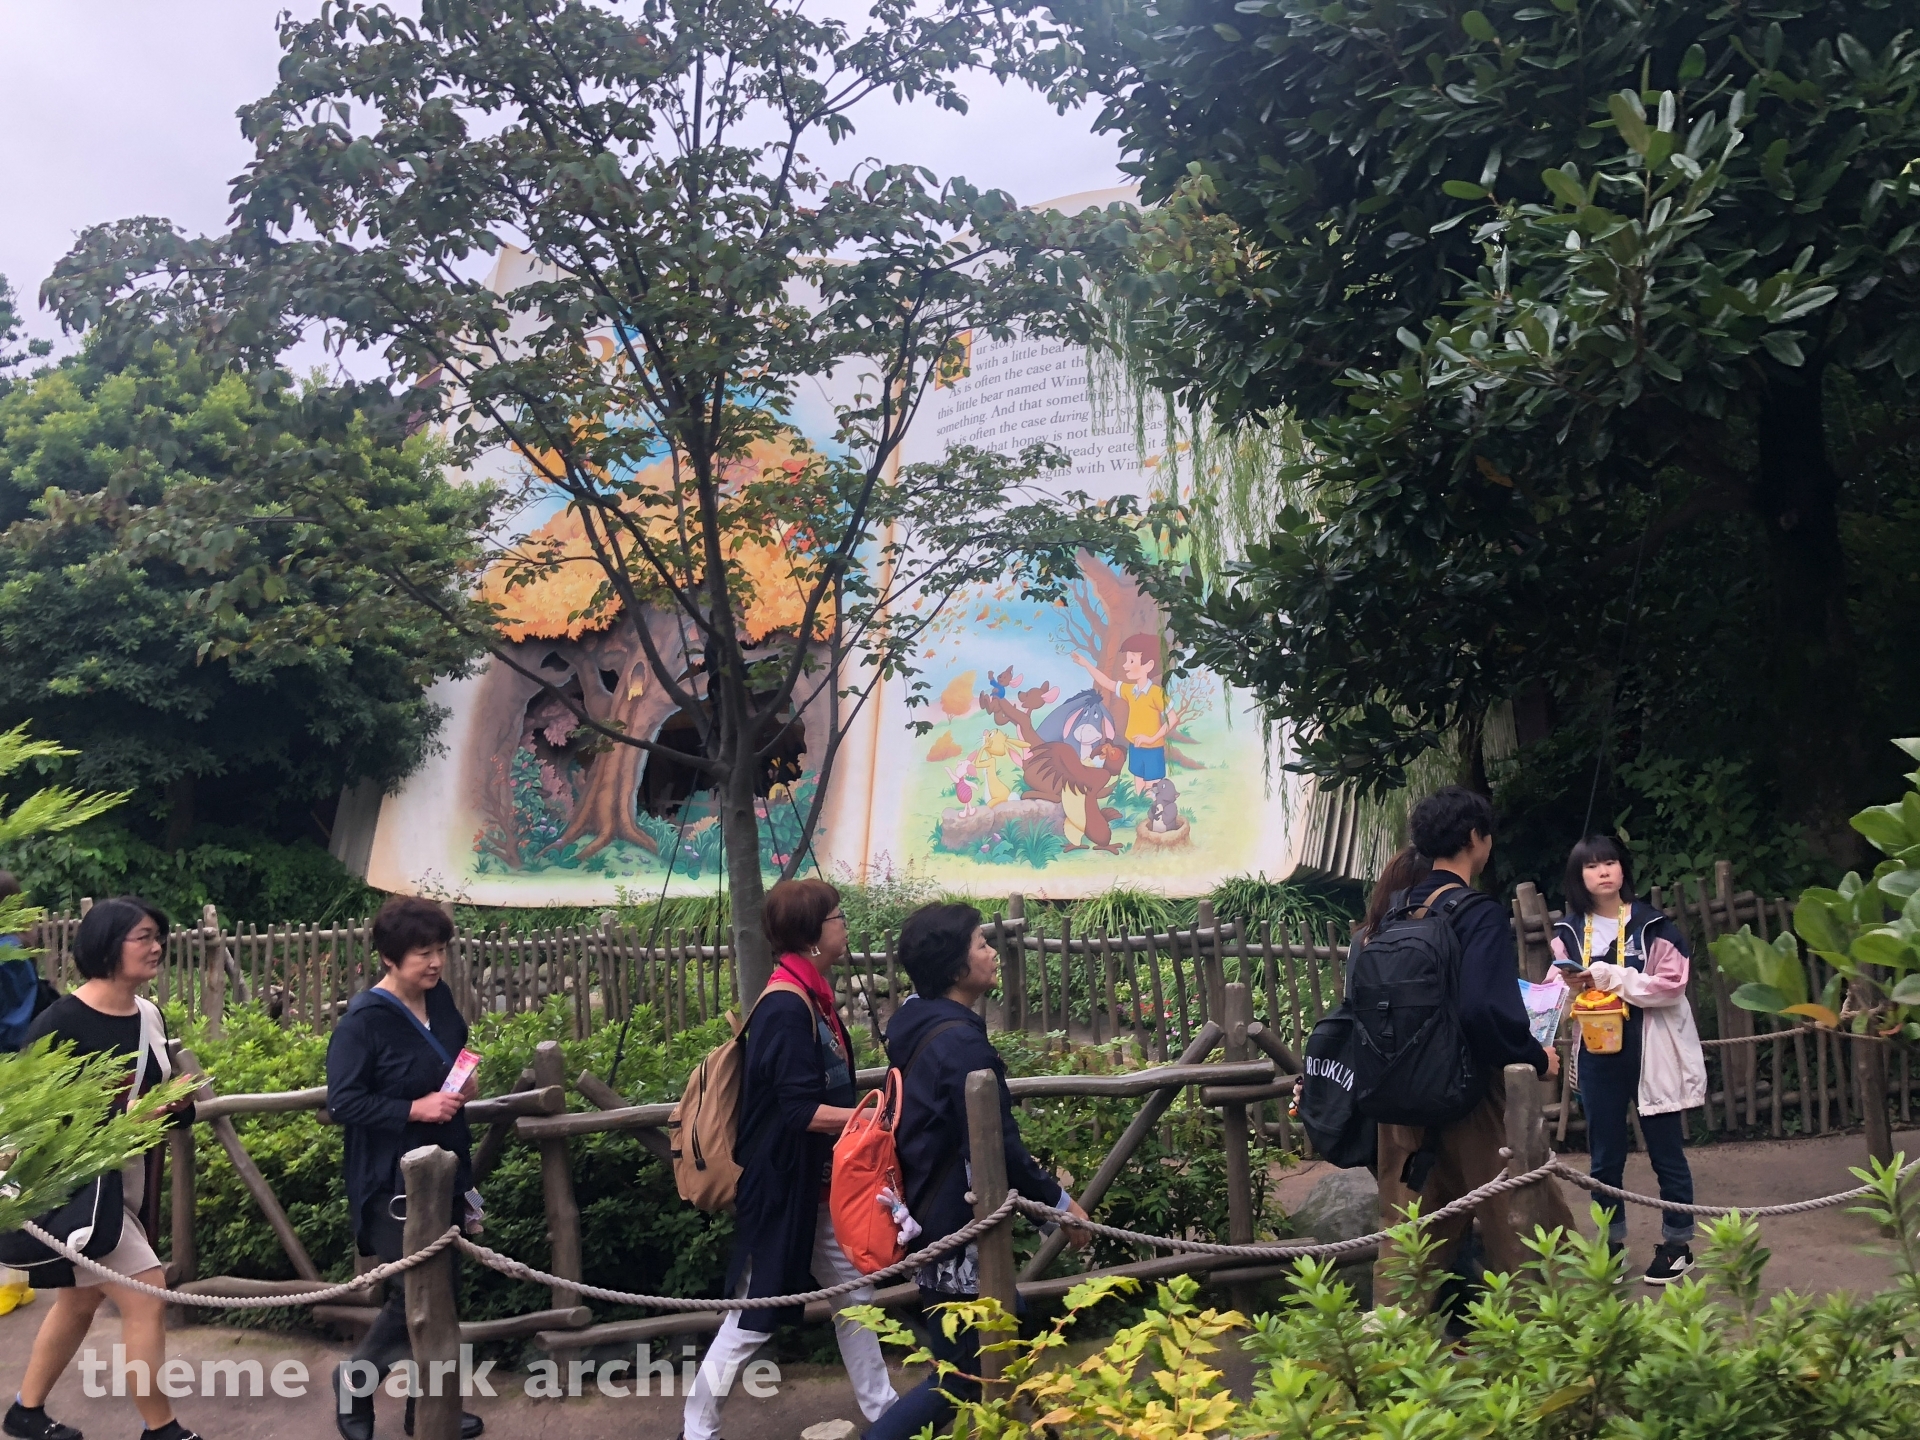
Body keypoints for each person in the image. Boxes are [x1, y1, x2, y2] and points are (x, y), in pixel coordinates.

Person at [681, 879, 898, 1440]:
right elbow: (799, 1110)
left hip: (813, 1181)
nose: (845, 926)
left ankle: (885, 1411)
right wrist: (872, 1120)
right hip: (783, 1185)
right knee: (754, 1316)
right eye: (837, 918)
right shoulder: (786, 1004)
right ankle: (696, 1428)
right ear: (811, 935)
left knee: (853, 1293)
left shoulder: (808, 995)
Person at [869, 903, 1092, 1440]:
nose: (992, 953)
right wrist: (1060, 1207)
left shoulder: (916, 1022)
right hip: (956, 1228)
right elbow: (1000, 1146)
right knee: (964, 1373)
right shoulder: (960, 1044)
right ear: (954, 967)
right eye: (980, 944)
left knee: (1004, 1327)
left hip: (926, 1214)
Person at [6, 897, 201, 1440]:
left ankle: (25, 1412)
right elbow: (33, 1120)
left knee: (81, 1299)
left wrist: (175, 1106)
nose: (156, 946)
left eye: (158, 936)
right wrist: (126, 1118)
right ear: (107, 945)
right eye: (143, 937)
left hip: (126, 1184)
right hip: (79, 1187)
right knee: (146, 1290)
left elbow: (158, 1101)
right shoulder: (59, 1023)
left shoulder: (149, 1016)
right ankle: (161, 1428)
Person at [1373, 787, 1573, 1296]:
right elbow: (1484, 1010)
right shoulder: (1475, 912)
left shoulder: (1396, 912)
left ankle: (1385, 1341)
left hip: (1403, 1100)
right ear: (1474, 838)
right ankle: (1564, 1333)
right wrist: (1536, 1057)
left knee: (1409, 1246)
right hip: (1471, 1098)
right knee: (1531, 1230)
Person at [326, 896, 484, 1440]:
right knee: (415, 1292)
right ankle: (356, 1380)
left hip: (448, 1167)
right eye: (423, 953)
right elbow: (344, 1101)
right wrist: (414, 1108)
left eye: (440, 950)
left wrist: (461, 1084)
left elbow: (449, 1053)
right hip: (390, 1180)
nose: (436, 962)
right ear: (390, 958)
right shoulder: (362, 1022)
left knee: (444, 1290)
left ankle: (429, 1411)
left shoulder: (439, 999)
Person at [1552, 835, 1705, 1284]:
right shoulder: (1567, 933)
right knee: (1603, 1158)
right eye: (1592, 866)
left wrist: (1610, 976)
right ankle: (1610, 1245)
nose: (1603, 872)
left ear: (1623, 869)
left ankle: (1677, 1245)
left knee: (1666, 1153)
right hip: (1597, 1056)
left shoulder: (1652, 925)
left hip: (1651, 1052)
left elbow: (1672, 985)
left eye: (1610, 862)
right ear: (1578, 876)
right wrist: (1566, 993)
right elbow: (1556, 994)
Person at [0, 871, 56, 1319]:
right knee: (10, 1172)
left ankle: (9, 1280)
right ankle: (14, 1280)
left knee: (6, 1170)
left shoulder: (8, 952)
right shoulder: (13, 949)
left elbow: (13, 1023)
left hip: (7, 1070)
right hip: (15, 1069)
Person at [1071, 633, 1171, 783]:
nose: (1125, 665)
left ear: (1149, 665)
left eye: (1131, 661)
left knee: (1152, 787)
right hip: (1135, 747)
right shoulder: (1130, 690)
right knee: (1139, 785)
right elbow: (1107, 683)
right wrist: (1086, 664)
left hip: (1153, 749)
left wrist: (1152, 739)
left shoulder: (1156, 693)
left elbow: (1172, 719)